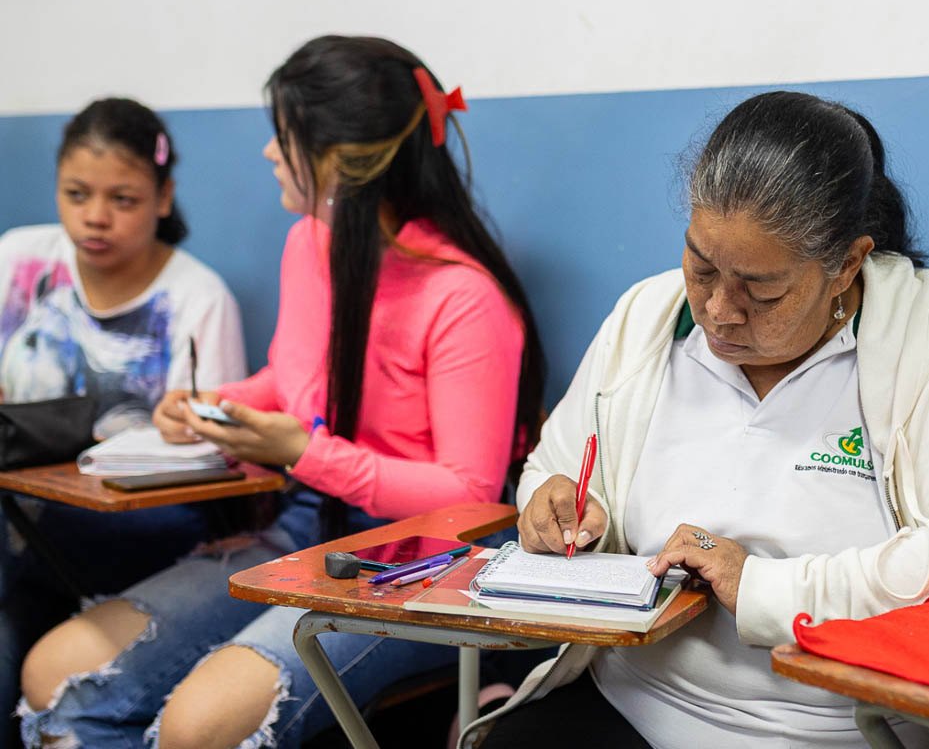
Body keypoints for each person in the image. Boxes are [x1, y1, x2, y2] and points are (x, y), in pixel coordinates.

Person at [467, 91, 929, 749]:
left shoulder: (921, 334)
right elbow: (553, 467)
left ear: (846, 265)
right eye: (700, 267)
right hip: (631, 702)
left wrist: (766, 587)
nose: (720, 309)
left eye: (762, 289)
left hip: (836, 727)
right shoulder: (647, 317)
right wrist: (557, 506)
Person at [18, 36, 545, 749]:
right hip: (309, 526)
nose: (269, 153)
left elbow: (471, 496)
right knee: (53, 673)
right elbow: (295, 379)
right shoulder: (310, 243)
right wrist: (214, 407)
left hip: (423, 562)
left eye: (284, 136)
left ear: (341, 161)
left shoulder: (463, 297)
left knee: (196, 727)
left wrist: (306, 451)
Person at [0, 98, 246, 746]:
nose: (95, 217)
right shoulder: (20, 260)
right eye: (76, 194)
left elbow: (213, 455)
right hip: (19, 513)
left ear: (163, 196)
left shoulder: (198, 298)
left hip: (139, 527)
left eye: (123, 199)